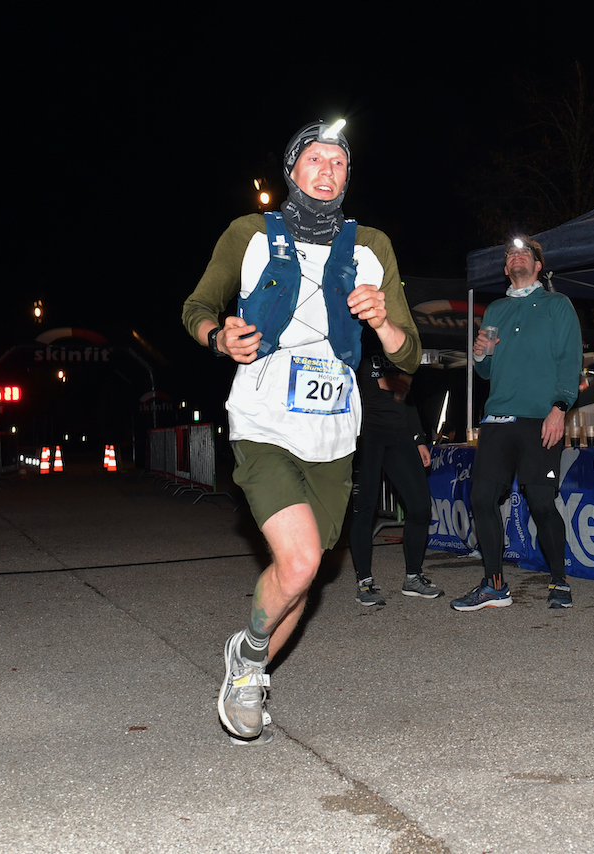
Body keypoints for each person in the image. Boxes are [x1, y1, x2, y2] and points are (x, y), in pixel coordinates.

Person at [182, 119, 421, 744]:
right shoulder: (249, 233)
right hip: (262, 417)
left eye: (339, 162)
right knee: (300, 558)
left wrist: (382, 321)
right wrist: (219, 336)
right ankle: (249, 666)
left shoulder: (372, 245)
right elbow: (197, 307)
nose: (328, 170)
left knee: (303, 578)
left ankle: (248, 658)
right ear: (293, 170)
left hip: (336, 431)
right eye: (315, 159)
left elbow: (408, 354)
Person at [453, 236, 581, 612]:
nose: (517, 257)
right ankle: (494, 584)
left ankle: (559, 579)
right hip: (497, 419)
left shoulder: (558, 305)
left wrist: (560, 408)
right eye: (511, 254)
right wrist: (480, 354)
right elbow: (487, 370)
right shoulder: (494, 309)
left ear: (538, 266)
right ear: (506, 268)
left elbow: (569, 360)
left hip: (541, 419)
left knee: (541, 502)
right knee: (481, 498)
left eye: (525, 252)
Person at [348, 355, 442, 606]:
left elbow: (407, 396)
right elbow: (364, 386)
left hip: (399, 434)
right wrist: (397, 381)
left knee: (421, 507)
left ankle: (413, 576)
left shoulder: (400, 346)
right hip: (367, 434)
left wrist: (419, 438)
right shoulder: (362, 341)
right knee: (365, 509)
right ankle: (364, 581)